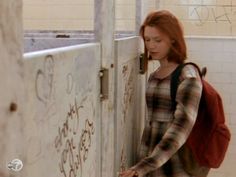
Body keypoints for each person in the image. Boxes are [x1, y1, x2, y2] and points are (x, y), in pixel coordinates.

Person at [119, 10, 204, 177]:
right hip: (149, 166)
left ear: (173, 39)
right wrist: (141, 164)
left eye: (158, 40)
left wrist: (143, 166)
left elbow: (180, 129)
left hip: (175, 168)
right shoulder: (153, 76)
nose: (151, 46)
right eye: (147, 39)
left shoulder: (188, 76)